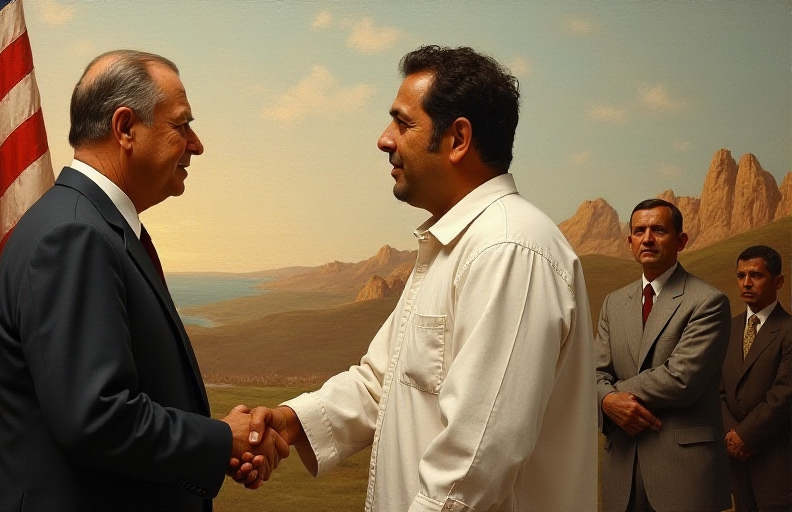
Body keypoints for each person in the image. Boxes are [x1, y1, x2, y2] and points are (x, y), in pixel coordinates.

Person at [238, 45, 598, 512]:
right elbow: (381, 383)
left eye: (403, 123)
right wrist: (290, 423)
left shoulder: (508, 249)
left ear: (458, 139)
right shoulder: (456, 245)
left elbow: (476, 460)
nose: (384, 140)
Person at [0, 50, 286, 512]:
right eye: (181, 126)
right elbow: (95, 418)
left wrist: (216, 444)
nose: (196, 144)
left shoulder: (92, 226)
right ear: (125, 128)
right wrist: (222, 440)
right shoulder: (74, 235)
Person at [596, 199, 732, 512]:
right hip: (622, 473)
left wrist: (610, 397)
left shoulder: (709, 302)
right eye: (639, 231)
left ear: (681, 240)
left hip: (685, 474)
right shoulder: (612, 304)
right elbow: (594, 374)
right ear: (629, 242)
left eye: (658, 230)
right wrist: (603, 400)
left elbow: (681, 378)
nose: (647, 238)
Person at [720, 245, 791, 512]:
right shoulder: (727, 328)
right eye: (741, 275)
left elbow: (784, 396)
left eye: (756, 275)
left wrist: (745, 436)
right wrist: (731, 436)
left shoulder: (788, 330)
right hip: (736, 462)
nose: (746, 283)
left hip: (777, 461)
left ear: (778, 281)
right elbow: (715, 391)